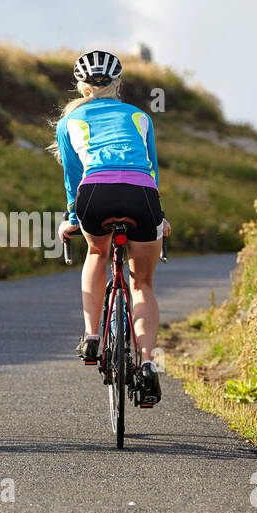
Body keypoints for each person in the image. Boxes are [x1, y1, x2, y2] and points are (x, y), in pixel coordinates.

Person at [54, 49, 169, 406]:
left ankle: (91, 336)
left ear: (80, 86)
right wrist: (159, 216)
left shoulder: (68, 122)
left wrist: (73, 218)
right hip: (141, 196)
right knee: (142, 282)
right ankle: (147, 362)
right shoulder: (140, 117)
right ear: (118, 84)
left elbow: (73, 178)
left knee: (96, 251)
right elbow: (150, 169)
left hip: (95, 195)